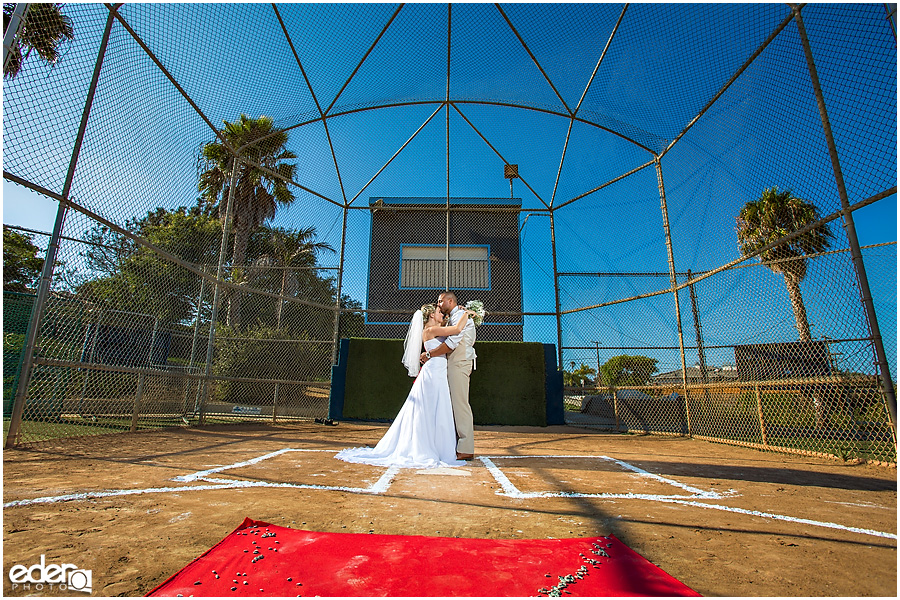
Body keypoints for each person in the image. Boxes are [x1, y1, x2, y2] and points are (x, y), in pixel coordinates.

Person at [334, 304, 474, 468]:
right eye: (438, 312)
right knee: (429, 410)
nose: (441, 313)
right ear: (430, 316)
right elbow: (457, 329)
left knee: (437, 409)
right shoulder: (430, 331)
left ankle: (438, 446)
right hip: (433, 373)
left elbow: (450, 329)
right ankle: (427, 447)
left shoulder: (436, 328)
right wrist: (467, 313)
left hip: (438, 372)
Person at [422, 291, 477, 461]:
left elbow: (452, 343)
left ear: (450, 301)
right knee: (448, 405)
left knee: (460, 404)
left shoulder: (460, 315)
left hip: (459, 362)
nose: (438, 304)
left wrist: (429, 355)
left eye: (440, 302)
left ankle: (466, 447)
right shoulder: (455, 316)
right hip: (450, 365)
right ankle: (446, 444)